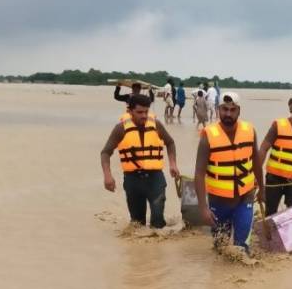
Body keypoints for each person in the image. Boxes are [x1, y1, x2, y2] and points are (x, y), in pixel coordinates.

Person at [195, 91, 264, 252]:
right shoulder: (208, 135)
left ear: (239, 111)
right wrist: (203, 208)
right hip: (218, 201)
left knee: (242, 248)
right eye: (224, 109)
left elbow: (256, 162)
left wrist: (262, 189)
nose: (228, 114)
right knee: (220, 247)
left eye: (232, 110)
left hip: (245, 197)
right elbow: (199, 173)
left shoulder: (249, 130)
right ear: (218, 110)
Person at [101, 95, 180, 228]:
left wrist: (173, 163)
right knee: (137, 223)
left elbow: (170, 142)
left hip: (155, 178)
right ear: (130, 111)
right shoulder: (120, 128)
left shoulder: (156, 125)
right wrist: (107, 176)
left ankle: (157, 247)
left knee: (158, 220)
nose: (144, 115)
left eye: (146, 111)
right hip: (133, 180)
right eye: (139, 112)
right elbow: (105, 152)